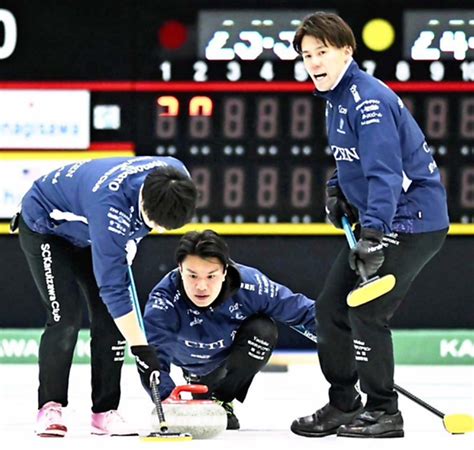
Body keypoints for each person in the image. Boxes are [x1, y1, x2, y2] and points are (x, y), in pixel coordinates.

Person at [290, 12, 449, 439]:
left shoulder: (369, 100)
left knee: (365, 309)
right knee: (329, 308)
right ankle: (345, 403)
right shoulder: (336, 97)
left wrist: (375, 233)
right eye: (307, 55)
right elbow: (350, 159)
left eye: (322, 52)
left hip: (411, 220)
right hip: (380, 220)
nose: (314, 62)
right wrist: (335, 189)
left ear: (347, 50)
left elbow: (385, 175)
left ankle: (384, 412)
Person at [15, 156, 197, 437]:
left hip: (91, 234)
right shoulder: (110, 208)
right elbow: (114, 291)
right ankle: (50, 407)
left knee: (111, 323)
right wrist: (141, 350)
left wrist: (139, 346)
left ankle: (104, 411)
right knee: (66, 317)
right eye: (154, 222)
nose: (157, 230)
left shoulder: (176, 174)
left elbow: (117, 289)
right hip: (47, 228)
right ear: (143, 202)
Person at [142, 229, 316, 430]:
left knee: (263, 330)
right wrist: (168, 400)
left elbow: (303, 311)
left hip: (225, 361)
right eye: (192, 275)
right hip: (189, 362)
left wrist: (345, 337)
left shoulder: (252, 285)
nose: (201, 286)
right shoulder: (163, 301)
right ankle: (197, 379)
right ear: (180, 269)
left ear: (225, 271)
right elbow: (152, 359)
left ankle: (221, 399)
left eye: (211, 276)